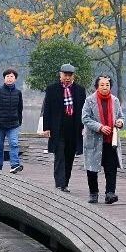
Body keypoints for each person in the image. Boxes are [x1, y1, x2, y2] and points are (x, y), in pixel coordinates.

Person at [42, 63, 86, 192]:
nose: (67, 77)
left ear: (73, 76)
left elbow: (83, 110)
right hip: (57, 128)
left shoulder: (79, 90)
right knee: (59, 155)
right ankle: (60, 183)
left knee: (69, 156)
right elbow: (47, 110)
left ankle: (65, 183)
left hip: (73, 128)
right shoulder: (52, 89)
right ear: (60, 75)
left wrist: (83, 127)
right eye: (65, 75)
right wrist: (47, 128)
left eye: (70, 75)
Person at [82, 75, 125, 204]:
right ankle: (93, 193)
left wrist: (120, 122)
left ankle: (110, 193)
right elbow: (85, 118)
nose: (105, 87)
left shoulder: (115, 100)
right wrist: (100, 127)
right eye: (102, 85)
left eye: (107, 85)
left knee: (111, 168)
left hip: (111, 141)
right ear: (97, 86)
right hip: (94, 140)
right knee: (92, 168)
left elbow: (121, 116)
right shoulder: (89, 100)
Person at [0, 68, 25, 173]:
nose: (9, 78)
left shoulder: (18, 93)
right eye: (7, 76)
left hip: (13, 124)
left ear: (15, 79)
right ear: (4, 78)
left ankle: (14, 165)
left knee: (14, 143)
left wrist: (19, 121)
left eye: (12, 76)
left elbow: (20, 108)